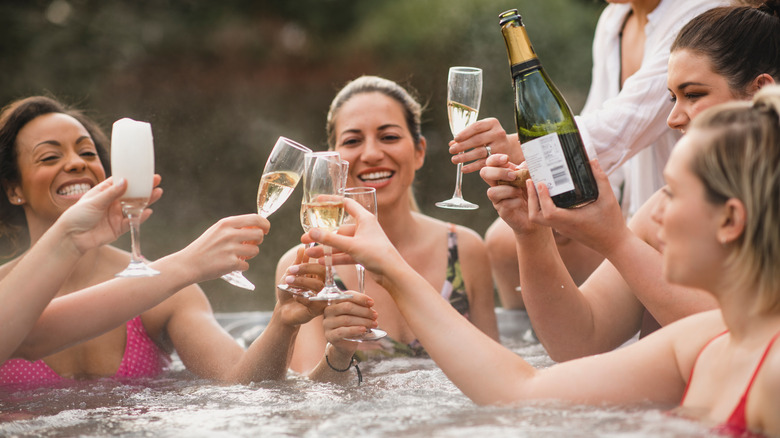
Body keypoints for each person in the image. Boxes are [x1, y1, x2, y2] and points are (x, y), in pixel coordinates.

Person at [308, 85, 780, 436]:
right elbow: (520, 393)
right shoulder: (702, 340)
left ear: (730, 220)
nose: (655, 210)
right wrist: (524, 233)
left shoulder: (772, 370)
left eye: (673, 193)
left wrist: (391, 267)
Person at [476, 2, 780, 362]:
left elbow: (745, 344)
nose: (672, 118)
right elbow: (578, 342)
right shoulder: (662, 207)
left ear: (761, 90)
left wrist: (616, 241)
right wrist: (531, 235)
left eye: (694, 94)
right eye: (672, 97)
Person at [0, 96, 324, 385]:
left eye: (87, 152)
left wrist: (282, 323)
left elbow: (241, 383)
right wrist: (191, 262)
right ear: (13, 188)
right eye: (49, 157)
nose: (76, 163)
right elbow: (28, 334)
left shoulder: (169, 296)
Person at [450, 0, 730, 309]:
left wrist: (521, 146)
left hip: (683, 215)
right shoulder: (613, 21)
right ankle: (530, 339)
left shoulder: (702, 11)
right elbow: (593, 126)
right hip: (633, 210)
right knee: (506, 239)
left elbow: (624, 126)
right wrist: (567, 195)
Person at [276, 76, 498, 378]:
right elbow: (308, 406)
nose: (371, 154)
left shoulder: (466, 249)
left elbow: (499, 375)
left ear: (419, 151)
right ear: (333, 163)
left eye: (389, 137)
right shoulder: (307, 263)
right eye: (353, 141)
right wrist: (339, 352)